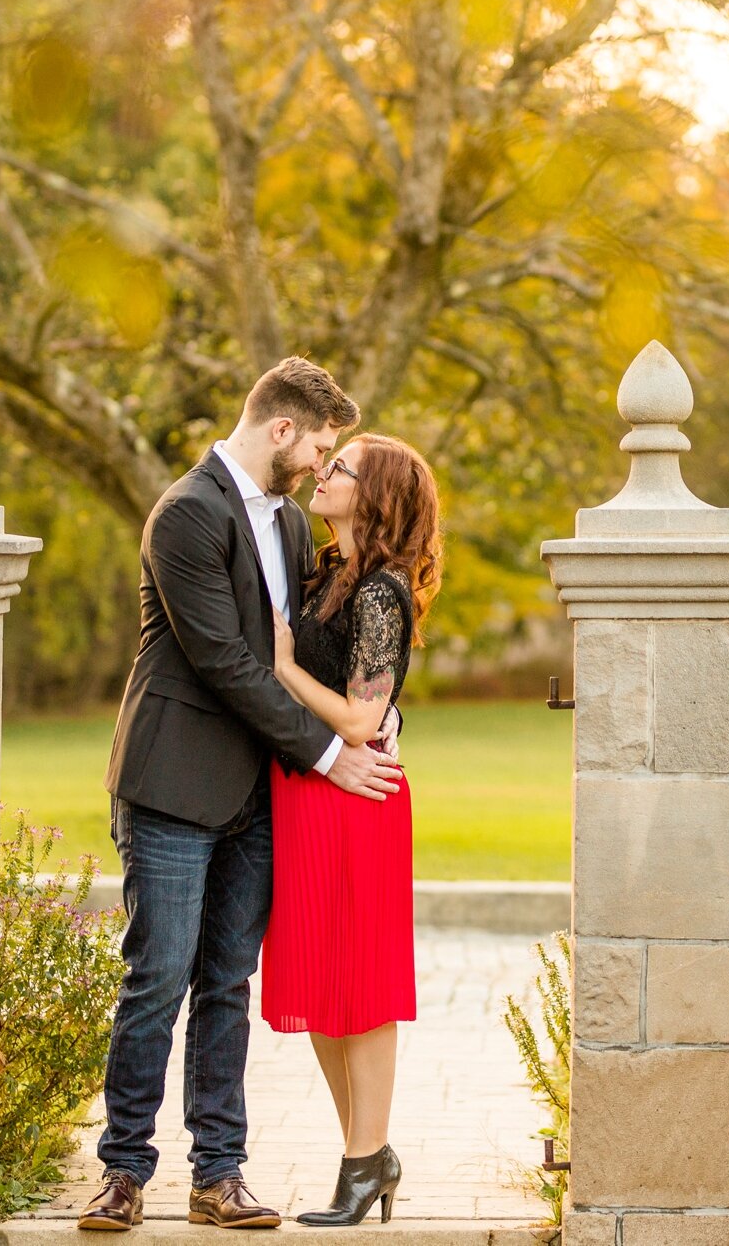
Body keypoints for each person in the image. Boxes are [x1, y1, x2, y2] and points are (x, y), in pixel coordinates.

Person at [79, 358, 404, 1233]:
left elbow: (312, 651)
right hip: (175, 785)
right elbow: (227, 661)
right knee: (158, 978)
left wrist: (376, 716)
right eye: (320, 445)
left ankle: (218, 1176)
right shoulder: (186, 513)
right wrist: (333, 753)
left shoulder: (293, 526)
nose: (320, 462)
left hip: (259, 797)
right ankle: (122, 1173)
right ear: (283, 429)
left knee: (227, 984)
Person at [262, 433, 441, 1228]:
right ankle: (369, 1155)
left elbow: (365, 719)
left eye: (343, 467)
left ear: (378, 496)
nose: (324, 473)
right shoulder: (331, 570)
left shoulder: (381, 592)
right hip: (305, 791)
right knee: (316, 984)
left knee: (360, 989)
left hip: (356, 796)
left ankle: (362, 1161)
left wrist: (284, 668)